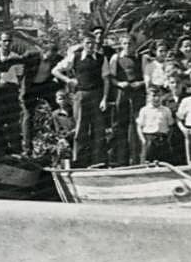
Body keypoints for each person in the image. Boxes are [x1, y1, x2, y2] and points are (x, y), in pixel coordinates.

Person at [51, 33, 108, 168]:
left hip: (97, 95)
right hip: (80, 95)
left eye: (93, 43)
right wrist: (68, 80)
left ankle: (98, 161)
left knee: (99, 129)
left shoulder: (101, 58)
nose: (90, 46)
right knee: (80, 128)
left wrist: (104, 98)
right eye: (88, 43)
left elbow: (106, 80)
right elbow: (55, 70)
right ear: (83, 44)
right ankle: (79, 161)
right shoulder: (75, 57)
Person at [107, 33, 146, 166]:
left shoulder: (142, 58)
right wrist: (119, 83)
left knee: (137, 124)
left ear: (135, 45)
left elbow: (147, 77)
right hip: (122, 93)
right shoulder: (115, 58)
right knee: (120, 124)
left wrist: (140, 83)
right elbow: (111, 77)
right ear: (121, 44)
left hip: (137, 93)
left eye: (130, 43)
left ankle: (138, 159)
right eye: (124, 43)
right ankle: (120, 160)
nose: (127, 46)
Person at [136, 87, 175, 163]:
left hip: (162, 139)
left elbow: (171, 126)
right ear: (149, 97)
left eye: (159, 96)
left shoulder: (166, 110)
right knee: (147, 163)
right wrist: (143, 140)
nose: (156, 98)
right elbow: (139, 127)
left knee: (164, 162)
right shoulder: (144, 110)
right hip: (149, 139)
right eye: (154, 96)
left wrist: (168, 139)